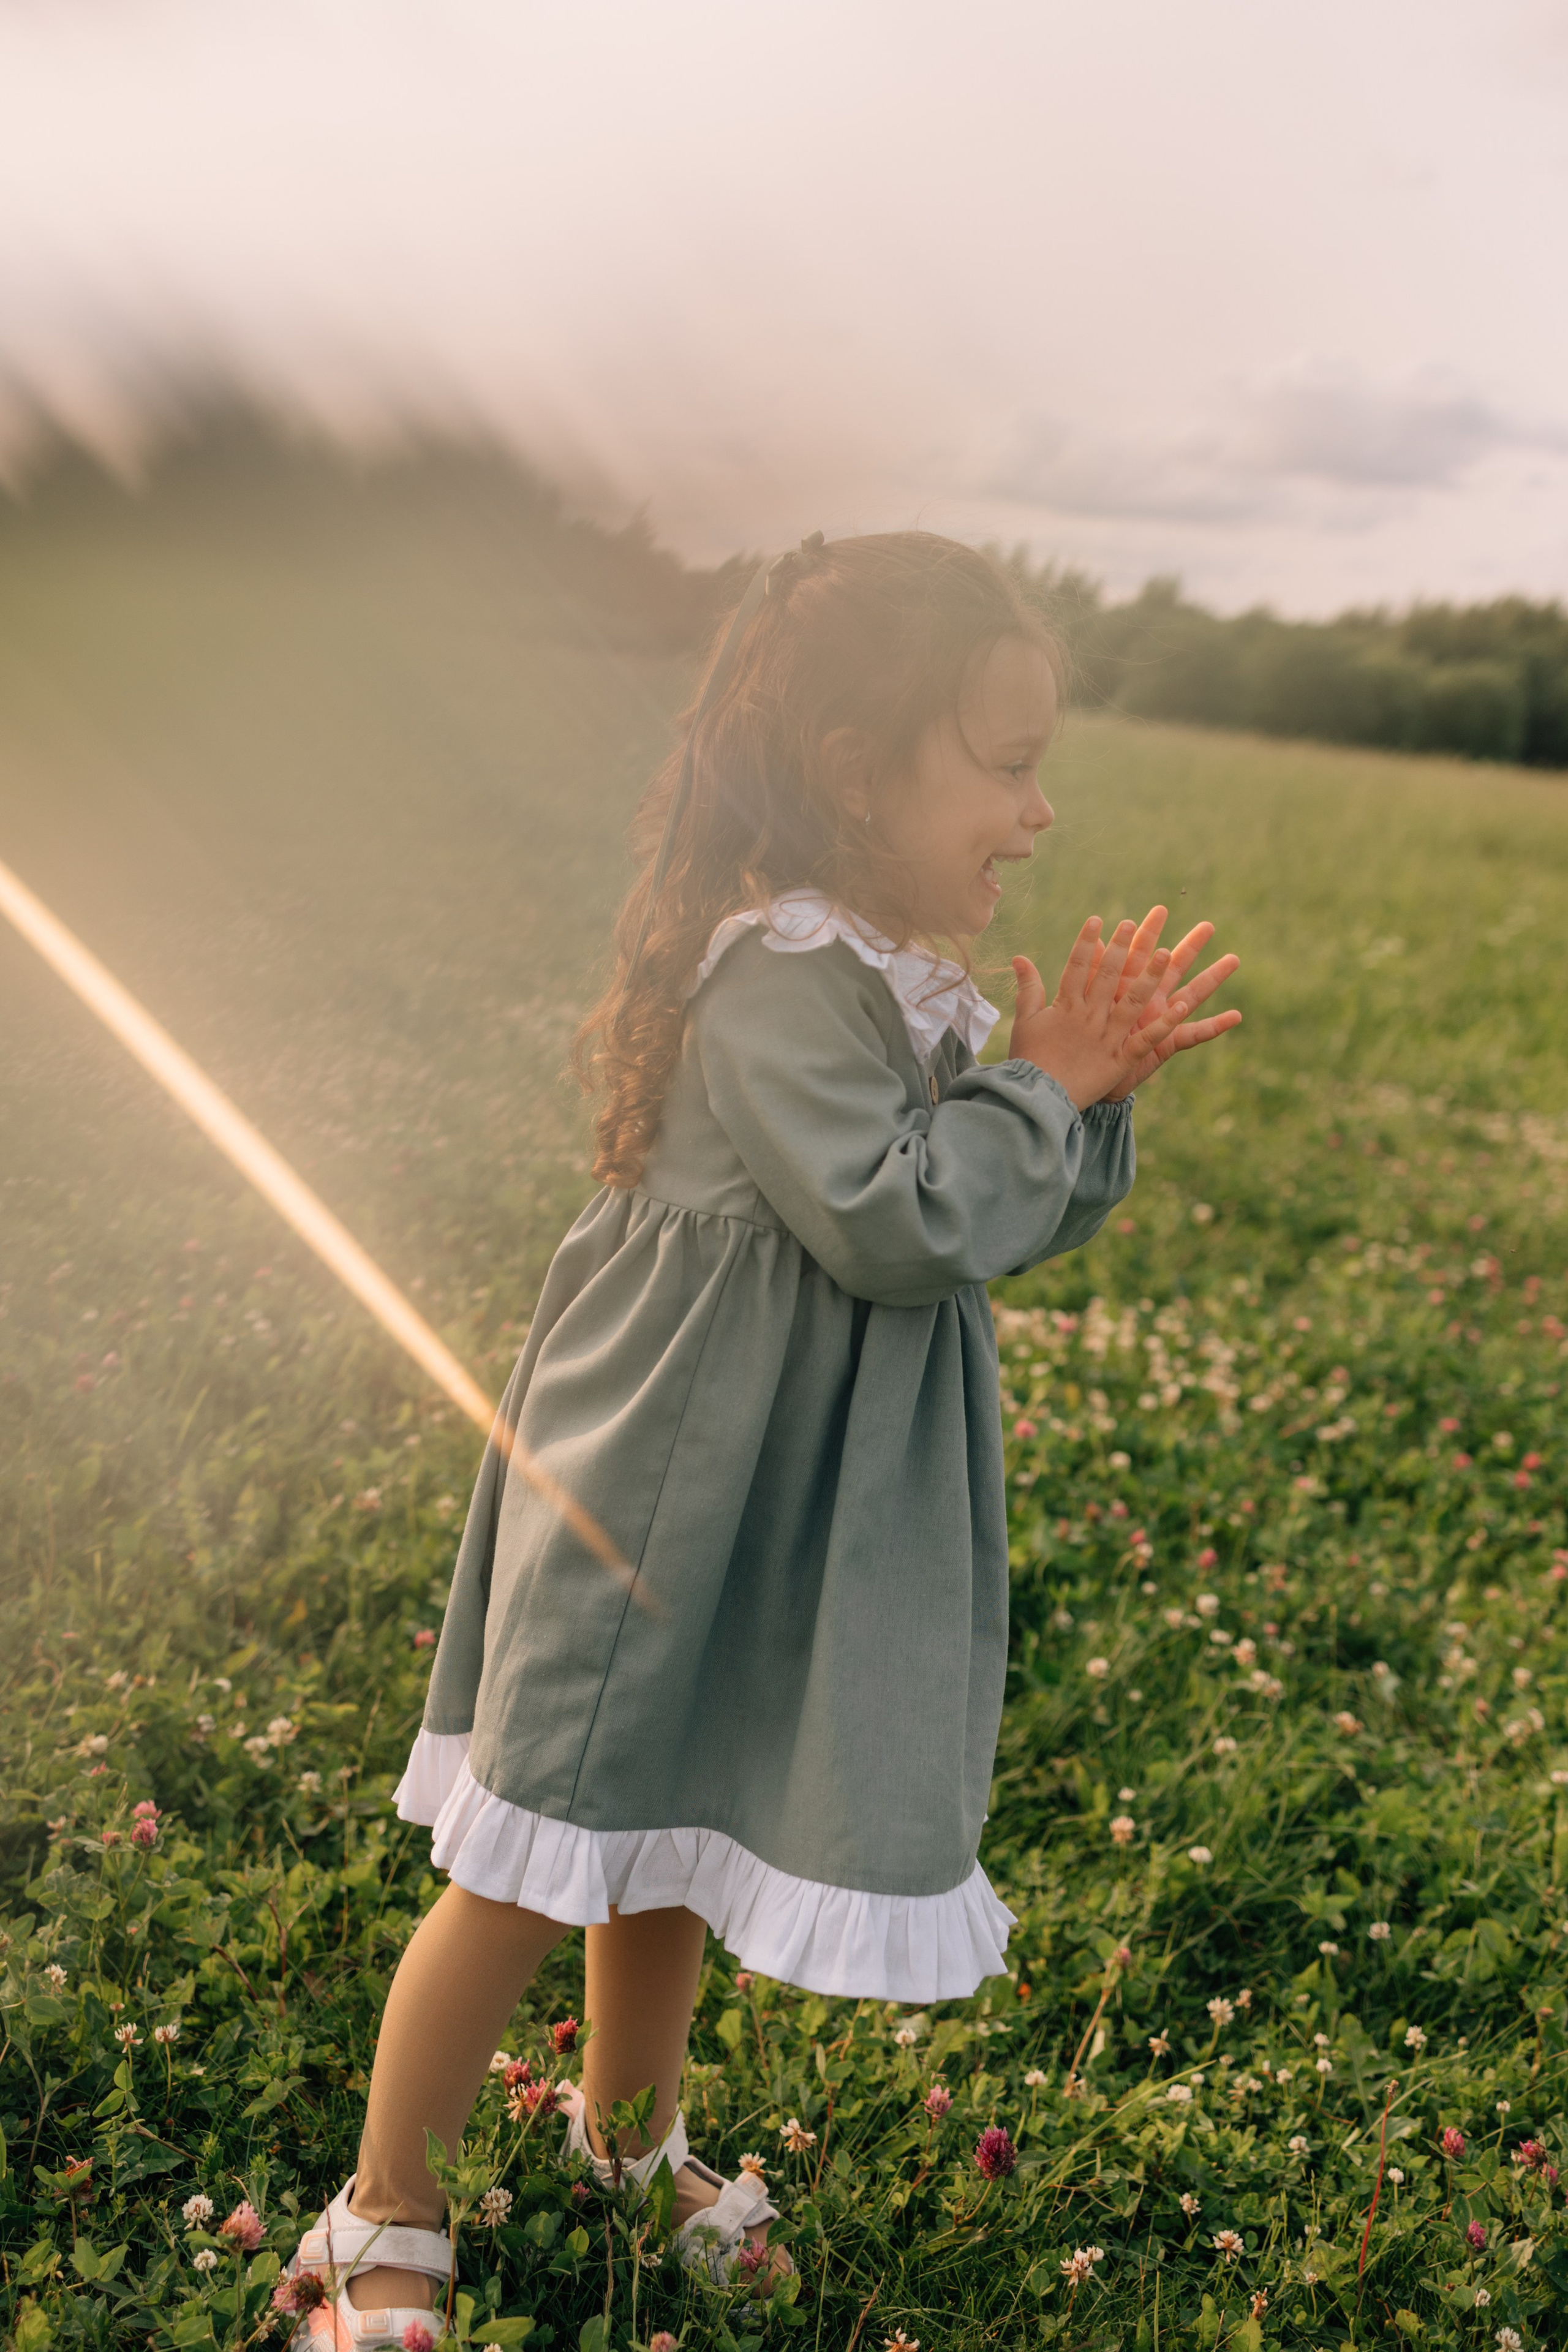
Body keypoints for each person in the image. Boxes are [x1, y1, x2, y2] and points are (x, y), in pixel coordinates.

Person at [298, 532, 1240, 2338]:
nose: (1041, 813)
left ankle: (625, 2146)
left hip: (758, 1499)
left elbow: (984, 1212)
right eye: (1011, 762)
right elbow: (896, 1217)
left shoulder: (880, 970)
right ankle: (381, 2217)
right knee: (530, 1855)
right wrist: (1038, 1089)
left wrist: (1075, 1098)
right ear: (852, 772)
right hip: (648, 1492)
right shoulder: (782, 976)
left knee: (671, 1833)